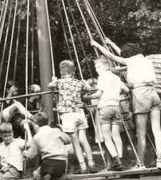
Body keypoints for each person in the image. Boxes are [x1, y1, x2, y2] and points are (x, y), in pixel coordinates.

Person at [91, 39, 161, 168]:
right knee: (157, 130)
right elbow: (122, 57)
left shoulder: (130, 61)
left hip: (141, 94)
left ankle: (140, 164)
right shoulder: (146, 60)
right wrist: (111, 43)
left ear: (128, 55)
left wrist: (97, 45)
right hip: (154, 93)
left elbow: (112, 56)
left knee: (141, 133)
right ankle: (160, 160)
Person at [48, 60, 97, 174]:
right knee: (84, 140)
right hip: (79, 113)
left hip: (68, 114)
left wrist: (54, 81)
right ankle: (91, 163)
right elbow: (89, 90)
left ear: (61, 72)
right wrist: (85, 83)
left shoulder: (59, 82)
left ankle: (83, 166)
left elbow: (50, 86)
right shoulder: (78, 82)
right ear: (73, 71)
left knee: (75, 142)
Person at [84, 56, 129, 171]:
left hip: (104, 107)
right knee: (116, 135)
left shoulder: (102, 77)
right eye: (96, 67)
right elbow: (127, 90)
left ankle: (116, 160)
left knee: (106, 136)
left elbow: (98, 94)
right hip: (116, 107)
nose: (97, 69)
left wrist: (87, 97)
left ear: (106, 66)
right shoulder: (116, 77)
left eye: (99, 66)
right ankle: (120, 159)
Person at [23, 112, 71, 180]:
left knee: (36, 174)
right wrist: (62, 132)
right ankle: (62, 176)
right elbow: (68, 140)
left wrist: (25, 153)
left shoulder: (37, 137)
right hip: (62, 163)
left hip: (48, 163)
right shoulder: (56, 131)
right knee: (57, 175)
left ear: (36, 125)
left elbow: (32, 155)